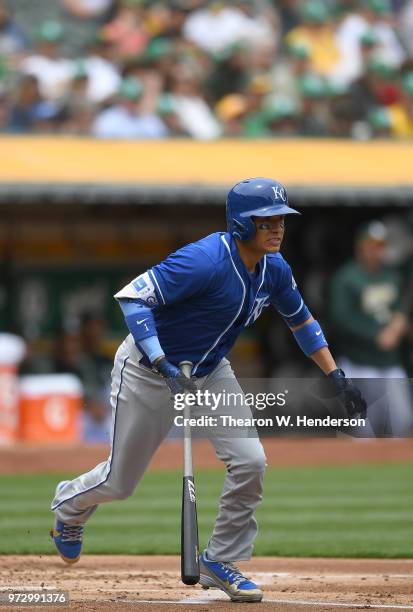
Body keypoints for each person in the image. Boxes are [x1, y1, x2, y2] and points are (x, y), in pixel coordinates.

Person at [50, 178, 366, 603]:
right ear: (240, 224)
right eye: (265, 221)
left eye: (281, 221)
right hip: (148, 371)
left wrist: (334, 376)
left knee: (251, 461)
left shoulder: (276, 269)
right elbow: (133, 299)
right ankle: (68, 508)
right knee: (120, 481)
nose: (277, 229)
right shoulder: (203, 261)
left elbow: (301, 321)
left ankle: (221, 559)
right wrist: (161, 361)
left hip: (211, 371)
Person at [330, 221, 412, 435]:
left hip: (389, 363)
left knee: (402, 421)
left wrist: (401, 325)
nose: (376, 250)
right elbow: (341, 319)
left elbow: (400, 316)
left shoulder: (393, 276)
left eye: (380, 245)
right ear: (360, 247)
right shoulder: (347, 277)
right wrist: (376, 335)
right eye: (372, 245)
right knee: (362, 429)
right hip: (359, 363)